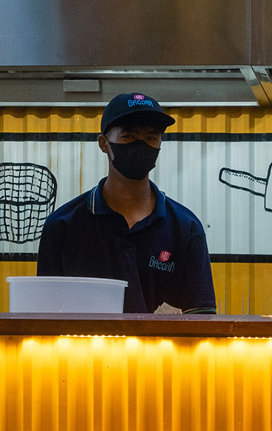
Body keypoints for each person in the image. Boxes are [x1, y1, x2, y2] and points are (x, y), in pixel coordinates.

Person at [36, 93, 216, 314]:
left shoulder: (186, 228)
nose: (141, 145)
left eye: (151, 138)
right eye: (128, 136)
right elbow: (45, 315)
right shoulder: (62, 226)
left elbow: (201, 317)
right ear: (104, 143)